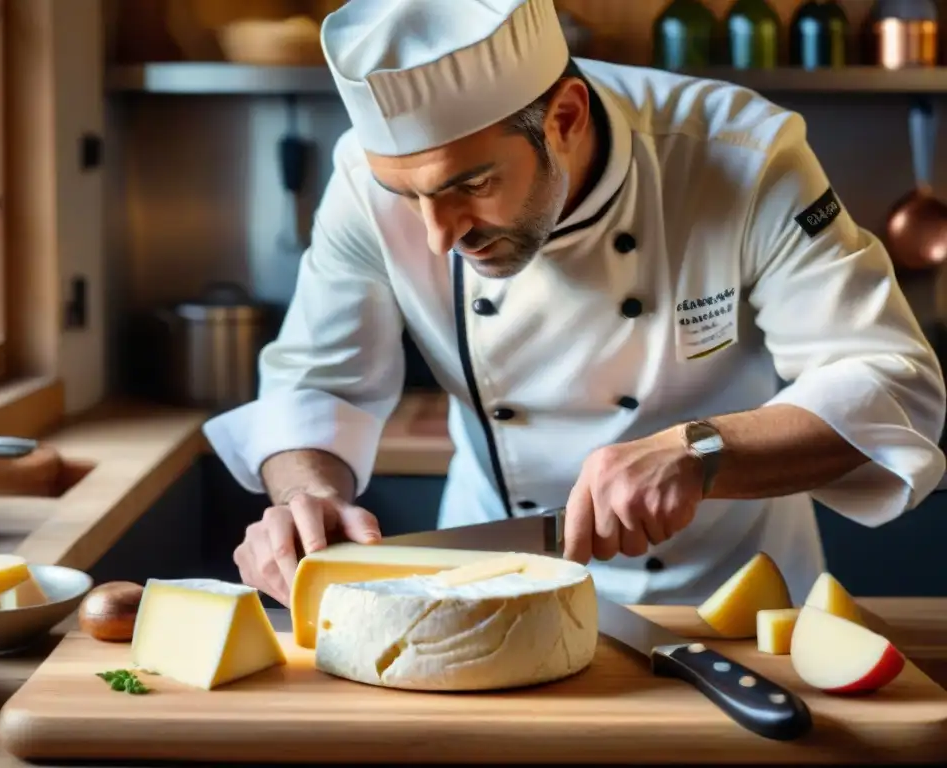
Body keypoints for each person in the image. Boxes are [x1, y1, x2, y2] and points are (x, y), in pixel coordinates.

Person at [204, 0, 947, 609]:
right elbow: (318, 382)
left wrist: (700, 452)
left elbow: (892, 383)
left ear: (563, 117)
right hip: (487, 586)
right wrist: (307, 498)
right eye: (409, 196)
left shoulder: (741, 156)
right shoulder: (365, 183)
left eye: (470, 184)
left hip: (730, 597)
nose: (437, 237)